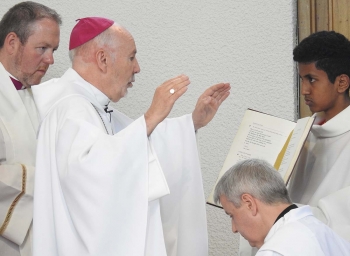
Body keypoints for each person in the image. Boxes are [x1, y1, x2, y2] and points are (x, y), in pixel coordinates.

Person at [31, 17, 230, 256]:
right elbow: (93, 175)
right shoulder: (68, 107)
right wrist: (151, 116)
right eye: (131, 57)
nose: (137, 68)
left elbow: (133, 141)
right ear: (103, 59)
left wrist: (192, 123)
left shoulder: (93, 106)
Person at [0, 2, 61, 256]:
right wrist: (53, 182)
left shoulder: (46, 98)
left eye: (53, 50)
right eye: (42, 48)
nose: (51, 60)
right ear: (13, 42)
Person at [214, 159, 350, 255]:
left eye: (231, 215)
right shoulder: (323, 232)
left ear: (249, 203)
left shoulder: (276, 251)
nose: (234, 229)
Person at [288, 30, 350, 242]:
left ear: (342, 83)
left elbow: (342, 217)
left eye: (312, 80)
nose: (304, 90)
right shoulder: (302, 133)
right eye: (302, 79)